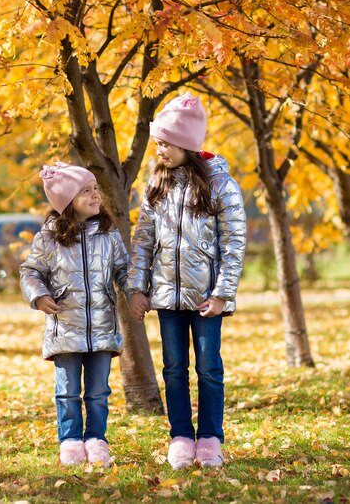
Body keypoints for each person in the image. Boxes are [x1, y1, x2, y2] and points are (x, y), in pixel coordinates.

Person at [127, 93, 246, 470]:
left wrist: (223, 294)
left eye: (165, 143)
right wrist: (137, 288)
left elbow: (234, 242)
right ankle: (180, 437)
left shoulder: (219, 184)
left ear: (187, 144)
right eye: (158, 142)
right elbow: (143, 239)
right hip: (166, 298)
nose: (159, 149)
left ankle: (210, 438)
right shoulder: (156, 184)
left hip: (205, 299)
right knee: (174, 369)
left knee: (209, 368)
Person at [20, 162, 128, 467]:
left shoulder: (109, 233)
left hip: (102, 328)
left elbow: (123, 270)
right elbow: (30, 271)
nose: (95, 195)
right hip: (65, 327)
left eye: (95, 189)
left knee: (98, 392)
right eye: (86, 191)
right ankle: (69, 442)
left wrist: (135, 293)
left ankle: (96, 440)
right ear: (67, 202)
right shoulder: (49, 237)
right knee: (67, 392)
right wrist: (38, 295)